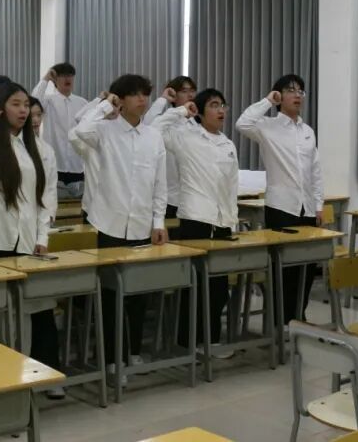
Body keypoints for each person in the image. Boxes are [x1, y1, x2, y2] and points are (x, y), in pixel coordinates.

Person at [0, 83, 62, 396]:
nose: (23, 111)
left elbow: (43, 198)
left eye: (26, 105)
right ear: (0, 107)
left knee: (34, 314)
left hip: (27, 244)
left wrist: (42, 236)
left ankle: (33, 378)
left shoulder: (35, 148)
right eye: (15, 104)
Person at [71, 74, 167, 373]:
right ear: (121, 99)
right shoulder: (104, 130)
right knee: (111, 297)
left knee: (139, 294)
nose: (142, 100)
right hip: (109, 224)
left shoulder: (153, 136)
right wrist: (105, 105)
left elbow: (159, 183)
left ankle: (133, 351)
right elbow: (79, 131)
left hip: (142, 225)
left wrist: (159, 221)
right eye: (135, 94)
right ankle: (112, 358)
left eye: (145, 94)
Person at [152, 88, 237, 353]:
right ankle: (189, 341)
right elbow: (154, 129)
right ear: (199, 111)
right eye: (214, 105)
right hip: (196, 218)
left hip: (222, 222)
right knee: (197, 285)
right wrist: (181, 110)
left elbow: (231, 186)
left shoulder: (227, 144)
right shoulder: (185, 137)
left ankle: (212, 339)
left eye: (223, 105)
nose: (221, 110)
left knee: (219, 287)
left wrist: (232, 220)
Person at [235, 74, 324, 323]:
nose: (297, 95)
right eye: (290, 90)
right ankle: (280, 321)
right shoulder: (267, 126)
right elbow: (242, 123)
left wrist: (318, 205)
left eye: (300, 91)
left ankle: (298, 318)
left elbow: (315, 171)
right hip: (281, 207)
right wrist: (267, 101)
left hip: (307, 208)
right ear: (279, 96)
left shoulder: (307, 131)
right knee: (284, 270)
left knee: (306, 268)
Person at [145, 76, 198, 221]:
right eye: (184, 91)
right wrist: (164, 99)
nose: (190, 95)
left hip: (192, 199)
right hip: (169, 199)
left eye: (192, 91)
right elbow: (148, 127)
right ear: (174, 96)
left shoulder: (197, 125)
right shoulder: (166, 122)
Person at [33, 63, 89, 199]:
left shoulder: (82, 103)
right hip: (55, 164)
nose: (67, 79)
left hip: (77, 166)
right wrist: (46, 78)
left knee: (76, 206)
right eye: (63, 76)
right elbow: (34, 100)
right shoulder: (48, 101)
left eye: (70, 75)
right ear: (55, 79)